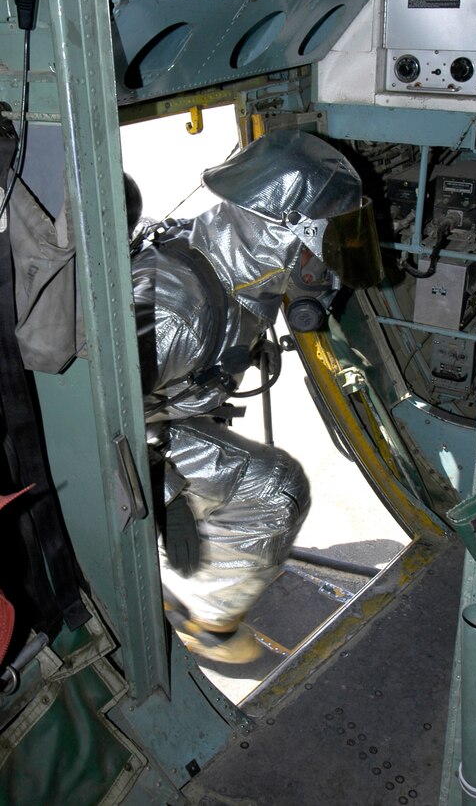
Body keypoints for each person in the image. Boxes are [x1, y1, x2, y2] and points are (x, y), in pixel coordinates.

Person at [128, 128, 376, 663]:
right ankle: (183, 608)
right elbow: (85, 424)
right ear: (283, 233)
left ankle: (199, 606)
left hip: (152, 414)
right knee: (272, 492)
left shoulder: (236, 273)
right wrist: (163, 497)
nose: (331, 259)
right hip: (114, 440)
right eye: (328, 241)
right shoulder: (177, 315)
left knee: (271, 484)